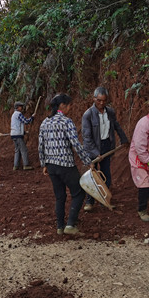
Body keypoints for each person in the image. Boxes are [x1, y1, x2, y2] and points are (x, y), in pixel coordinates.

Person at [39, 93, 92, 235]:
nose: (70, 108)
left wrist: (44, 164)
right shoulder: (66, 121)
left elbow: (41, 145)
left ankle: (60, 227)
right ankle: (70, 225)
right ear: (62, 106)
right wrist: (88, 162)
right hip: (65, 164)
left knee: (60, 196)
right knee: (79, 193)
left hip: (51, 166)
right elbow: (76, 144)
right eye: (69, 105)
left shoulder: (45, 122)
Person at [81, 86, 129, 211]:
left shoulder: (110, 112)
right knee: (92, 175)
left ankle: (104, 199)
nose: (101, 103)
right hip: (92, 149)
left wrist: (123, 139)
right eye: (99, 100)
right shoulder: (88, 115)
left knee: (106, 174)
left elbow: (116, 126)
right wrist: (96, 153)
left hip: (107, 146)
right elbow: (86, 137)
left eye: (104, 100)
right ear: (94, 99)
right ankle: (90, 201)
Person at [10, 101, 35, 171]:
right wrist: (32, 117)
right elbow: (26, 121)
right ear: (18, 107)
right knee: (24, 150)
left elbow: (17, 125)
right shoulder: (18, 114)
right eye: (21, 106)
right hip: (18, 135)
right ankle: (26, 165)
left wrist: (23, 132)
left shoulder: (14, 114)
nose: (22, 108)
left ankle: (16, 166)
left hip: (14, 134)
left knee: (17, 150)